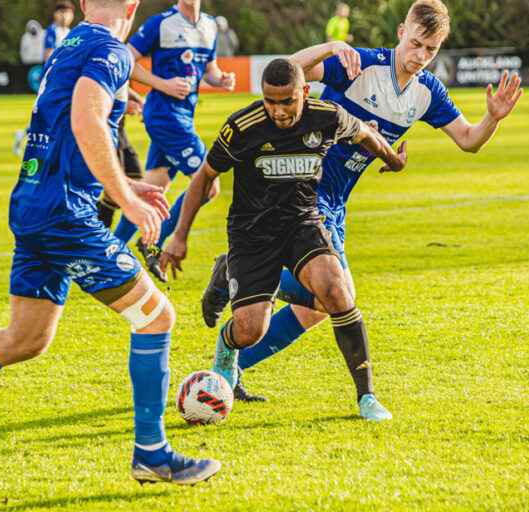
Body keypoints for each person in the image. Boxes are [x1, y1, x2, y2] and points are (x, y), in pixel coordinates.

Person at [0, 0, 221, 486]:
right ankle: (152, 452)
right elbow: (86, 122)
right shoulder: (111, 50)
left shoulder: (69, 45)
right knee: (156, 316)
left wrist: (124, 185)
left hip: (34, 201)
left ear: (81, 5)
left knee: (27, 338)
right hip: (63, 214)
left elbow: (63, 135)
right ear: (133, 7)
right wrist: (129, 203)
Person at [201, 0, 523, 417]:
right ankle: (244, 278)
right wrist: (332, 46)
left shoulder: (426, 93)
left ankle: (233, 359)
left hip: (336, 204)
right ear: (401, 32)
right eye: (416, 43)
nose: (421, 56)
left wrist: (492, 118)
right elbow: (290, 70)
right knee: (336, 297)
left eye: (431, 49)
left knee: (315, 310)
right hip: (304, 193)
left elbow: (467, 139)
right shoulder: (359, 65)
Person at [159, 59, 407, 422]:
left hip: (302, 222)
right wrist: (179, 236)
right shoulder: (243, 127)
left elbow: (363, 134)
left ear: (304, 93)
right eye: (270, 101)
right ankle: (228, 347)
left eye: (287, 101)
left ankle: (367, 397)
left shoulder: (328, 116)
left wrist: (391, 159)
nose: (278, 111)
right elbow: (204, 176)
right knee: (251, 330)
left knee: (336, 290)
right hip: (252, 233)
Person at [111, 0, 236, 282]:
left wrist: (222, 80)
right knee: (209, 184)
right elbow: (126, 59)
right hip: (165, 116)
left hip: (184, 116)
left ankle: (112, 249)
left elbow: (211, 70)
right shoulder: (161, 23)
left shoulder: (210, 25)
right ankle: (150, 242)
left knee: (153, 188)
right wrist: (162, 84)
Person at [13, 1, 76, 156]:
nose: (65, 16)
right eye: (62, 12)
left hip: (66, 79)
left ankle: (24, 134)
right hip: (55, 79)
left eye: (68, 13)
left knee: (54, 114)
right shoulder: (52, 31)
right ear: (55, 14)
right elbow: (48, 55)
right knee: (50, 113)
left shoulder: (70, 31)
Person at [97, 88, 146, 228]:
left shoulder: (120, 66)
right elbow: (88, 97)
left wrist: (139, 100)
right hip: (102, 131)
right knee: (115, 189)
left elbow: (121, 83)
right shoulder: (96, 66)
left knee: (133, 185)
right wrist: (122, 105)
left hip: (119, 132)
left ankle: (105, 236)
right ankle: (99, 235)